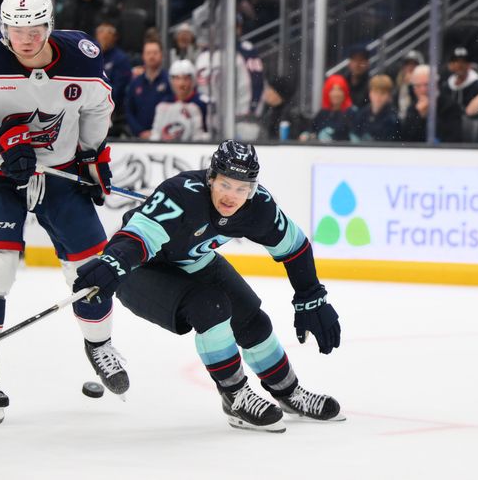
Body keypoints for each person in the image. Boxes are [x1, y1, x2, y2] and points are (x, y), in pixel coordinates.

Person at [0, 0, 128, 424]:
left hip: (60, 177)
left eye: (35, 27)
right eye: (16, 29)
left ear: (49, 24)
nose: (25, 38)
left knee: (93, 270)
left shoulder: (82, 56)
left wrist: (92, 158)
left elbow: (98, 109)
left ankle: (100, 347)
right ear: (3, 28)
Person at [72, 140, 345, 433]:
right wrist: (114, 263)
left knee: (252, 319)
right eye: (226, 185)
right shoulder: (179, 194)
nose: (232, 196)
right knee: (210, 307)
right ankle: (235, 396)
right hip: (142, 269)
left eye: (242, 188)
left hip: (193, 260)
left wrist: (311, 295)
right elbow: (138, 238)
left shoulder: (258, 207)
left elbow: (295, 246)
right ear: (211, 177)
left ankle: (289, 392)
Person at [401, 64, 463, 143]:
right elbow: (406, 139)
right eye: (418, 86)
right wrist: (421, 117)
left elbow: (452, 138)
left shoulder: (451, 106)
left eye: (427, 84)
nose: (423, 89)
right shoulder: (413, 107)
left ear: (436, 85)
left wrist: (429, 115)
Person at [150, 59, 209, 141]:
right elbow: (156, 132)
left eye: (185, 78)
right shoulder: (165, 103)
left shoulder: (202, 103)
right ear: (171, 81)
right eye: (177, 78)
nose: (181, 83)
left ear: (193, 80)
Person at [125, 39, 172, 138]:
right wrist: (139, 132)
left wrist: (158, 133)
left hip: (164, 138)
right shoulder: (135, 83)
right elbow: (129, 110)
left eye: (155, 53)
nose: (152, 56)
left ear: (161, 55)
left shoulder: (170, 81)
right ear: (143, 56)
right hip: (139, 138)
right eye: (148, 53)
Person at [299, 74, 356, 142]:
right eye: (332, 90)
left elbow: (354, 138)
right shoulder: (323, 113)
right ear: (327, 92)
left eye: (340, 89)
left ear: (345, 92)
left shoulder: (351, 113)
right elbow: (311, 129)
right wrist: (306, 135)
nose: (336, 94)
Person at [349, 74, 401, 142]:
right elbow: (354, 135)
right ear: (370, 93)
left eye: (382, 93)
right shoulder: (362, 113)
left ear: (389, 95)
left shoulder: (393, 118)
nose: (378, 97)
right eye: (375, 92)